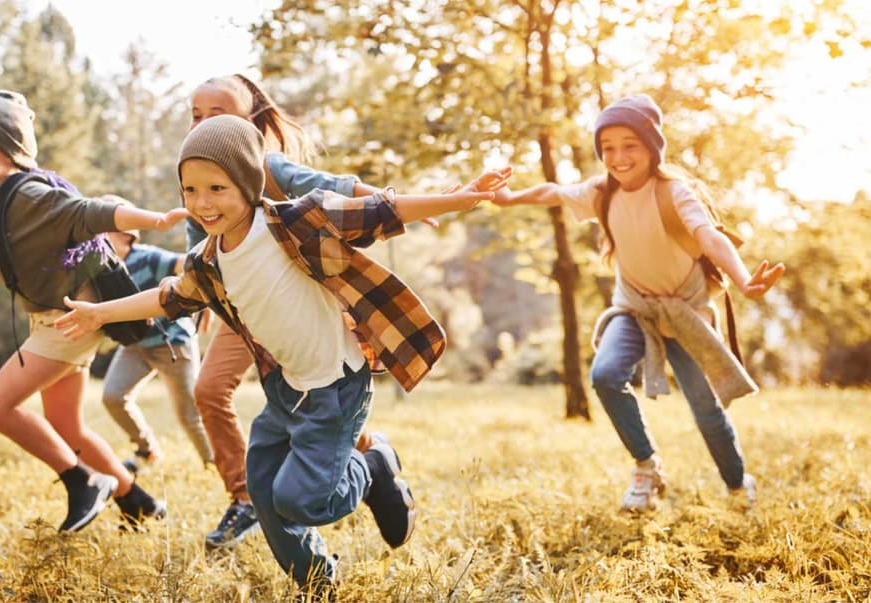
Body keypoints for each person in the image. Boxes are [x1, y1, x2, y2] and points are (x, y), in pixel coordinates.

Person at [54, 115, 510, 595]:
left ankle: (372, 467)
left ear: (248, 183)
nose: (202, 203)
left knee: (301, 501)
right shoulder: (208, 261)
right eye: (190, 190)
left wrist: (458, 198)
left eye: (217, 188)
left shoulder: (296, 222)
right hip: (285, 390)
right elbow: (169, 297)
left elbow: (378, 210)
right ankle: (317, 583)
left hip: (336, 385)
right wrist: (100, 313)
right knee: (264, 493)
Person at [0, 90, 186, 532]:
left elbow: (90, 212)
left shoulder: (32, 195)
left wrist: (155, 220)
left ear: (11, 148)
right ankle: (138, 503)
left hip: (70, 319)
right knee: (66, 426)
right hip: (53, 319)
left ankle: (82, 481)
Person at [491, 94, 785, 512]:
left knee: (706, 408)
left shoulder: (674, 192)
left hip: (685, 312)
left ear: (651, 147)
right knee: (606, 375)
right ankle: (647, 467)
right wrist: (509, 198)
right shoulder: (601, 193)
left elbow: (709, 237)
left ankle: (738, 484)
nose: (618, 157)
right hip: (634, 308)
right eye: (607, 147)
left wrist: (743, 280)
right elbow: (552, 191)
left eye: (629, 145)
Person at [185, 74, 413, 550]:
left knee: (316, 394)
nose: (203, 123)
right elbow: (198, 246)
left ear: (249, 120)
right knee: (214, 390)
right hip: (244, 307)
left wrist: (390, 202)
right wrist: (199, 299)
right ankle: (248, 496)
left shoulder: (268, 164)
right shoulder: (197, 171)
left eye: (217, 114)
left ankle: (366, 464)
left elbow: (328, 186)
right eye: (196, 115)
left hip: (297, 298)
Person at [101, 220, 215, 472]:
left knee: (189, 414)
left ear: (124, 234)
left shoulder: (149, 257)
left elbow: (190, 266)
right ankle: (147, 450)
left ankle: (215, 464)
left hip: (172, 344)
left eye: (101, 230)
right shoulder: (104, 267)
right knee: (113, 396)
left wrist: (205, 298)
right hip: (135, 346)